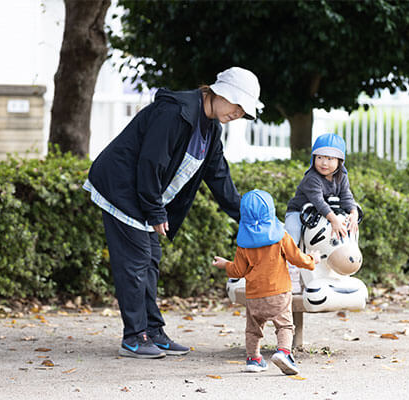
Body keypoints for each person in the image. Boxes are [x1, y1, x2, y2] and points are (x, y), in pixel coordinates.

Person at [83, 67, 263, 359]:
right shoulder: (176, 111)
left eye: (244, 110)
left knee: (150, 260)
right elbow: (150, 163)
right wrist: (155, 212)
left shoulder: (211, 129)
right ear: (218, 93)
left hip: (143, 195)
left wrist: (251, 219)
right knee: (136, 262)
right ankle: (134, 337)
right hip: (121, 188)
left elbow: (219, 179)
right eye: (237, 104)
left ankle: (152, 331)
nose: (239, 113)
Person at [212, 189, 319, 375]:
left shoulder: (244, 243)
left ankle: (253, 359)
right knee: (284, 325)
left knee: (253, 329)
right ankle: (284, 352)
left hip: (254, 295)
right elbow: (297, 259)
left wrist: (224, 264)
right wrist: (312, 260)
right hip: (279, 292)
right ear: (270, 211)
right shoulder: (281, 237)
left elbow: (238, 271)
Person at [284, 133, 359, 289]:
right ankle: (292, 272)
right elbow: (318, 201)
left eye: (330, 159)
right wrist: (334, 219)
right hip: (300, 212)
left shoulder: (342, 177)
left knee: (346, 229)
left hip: (323, 215)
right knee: (293, 235)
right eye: (320, 157)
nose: (324, 163)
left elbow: (346, 196)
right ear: (314, 158)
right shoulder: (312, 178)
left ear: (340, 161)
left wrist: (353, 213)